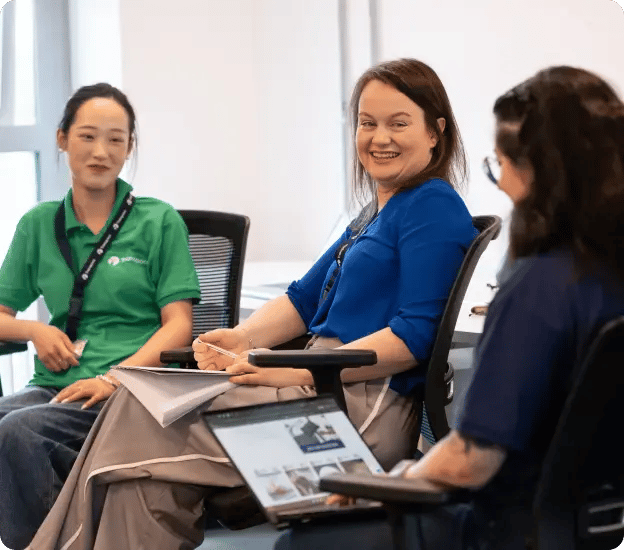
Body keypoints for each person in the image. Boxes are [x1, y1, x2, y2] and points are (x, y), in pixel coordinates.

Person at [27, 58, 476, 550]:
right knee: (144, 482)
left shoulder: (432, 205)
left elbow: (414, 337)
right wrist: (241, 338)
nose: (379, 138)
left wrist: (295, 370)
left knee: (137, 402)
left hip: (354, 414)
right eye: (367, 124)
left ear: (436, 132)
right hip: (320, 392)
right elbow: (303, 299)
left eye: (398, 123)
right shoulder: (376, 212)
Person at [275, 65, 624, 550]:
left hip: (494, 528)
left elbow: (470, 459)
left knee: (301, 543)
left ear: (539, 171)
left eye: (500, 166)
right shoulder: (606, 279)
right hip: (585, 527)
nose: (500, 184)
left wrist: (395, 483)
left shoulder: (536, 291)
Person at [0, 83, 200, 549]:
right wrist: (33, 329)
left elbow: (179, 325)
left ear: (129, 147)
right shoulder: (38, 224)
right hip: (59, 385)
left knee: (18, 434)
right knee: (12, 428)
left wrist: (115, 378)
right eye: (87, 136)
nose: (100, 151)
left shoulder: (158, 221)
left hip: (134, 389)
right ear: (62, 138)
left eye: (116, 139)